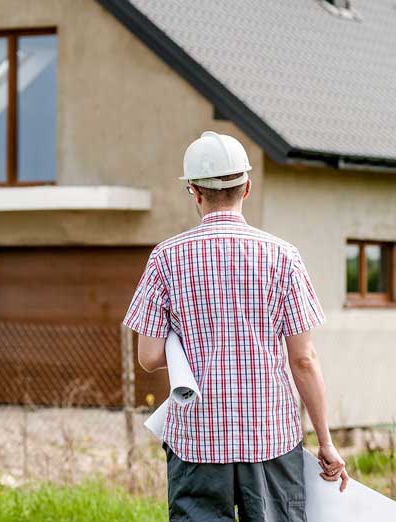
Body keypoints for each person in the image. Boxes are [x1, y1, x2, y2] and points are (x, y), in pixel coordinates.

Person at [122, 131, 348, 522]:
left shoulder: (165, 258)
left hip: (196, 442)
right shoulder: (283, 257)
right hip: (270, 438)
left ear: (194, 192)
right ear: (247, 187)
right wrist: (325, 442)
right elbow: (305, 360)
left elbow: (148, 356)